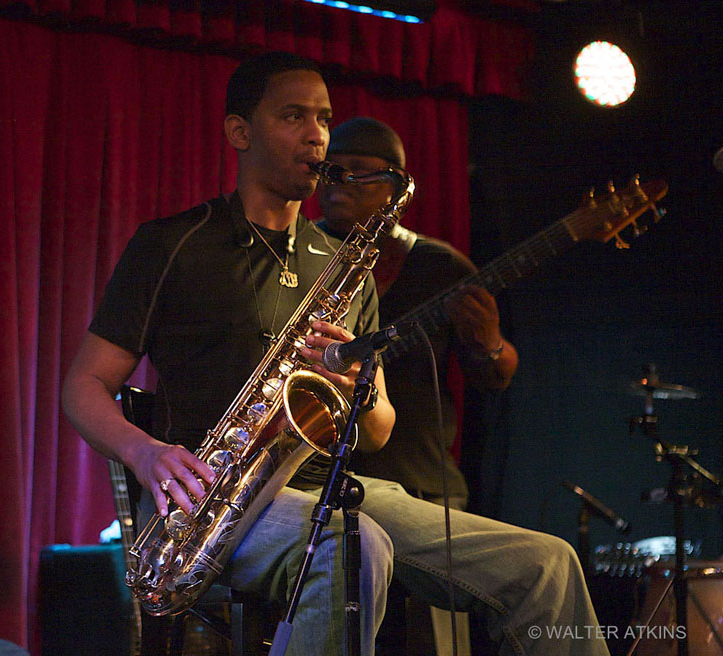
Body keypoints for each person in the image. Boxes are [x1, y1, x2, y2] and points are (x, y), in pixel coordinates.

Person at [63, 52, 608, 655]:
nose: (317, 133)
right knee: (357, 547)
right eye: (293, 115)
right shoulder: (174, 244)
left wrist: (361, 393)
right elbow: (83, 385)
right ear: (240, 132)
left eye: (323, 117)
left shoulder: (348, 265)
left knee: (547, 565)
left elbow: (376, 433)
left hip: (337, 490)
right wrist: (146, 453)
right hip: (211, 498)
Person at [315, 116, 518, 510]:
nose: (341, 181)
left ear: (394, 186)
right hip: (322, 482)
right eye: (334, 170)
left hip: (419, 484)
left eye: (358, 172)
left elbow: (494, 378)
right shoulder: (299, 252)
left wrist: (489, 344)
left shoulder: (442, 266)